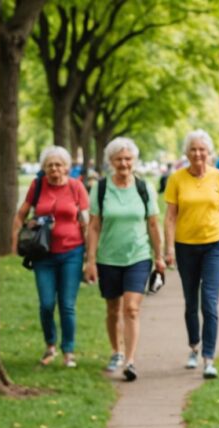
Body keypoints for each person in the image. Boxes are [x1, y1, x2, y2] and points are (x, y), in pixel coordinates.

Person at [84, 137, 164, 382]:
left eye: (128, 158)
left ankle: (129, 360)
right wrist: (90, 260)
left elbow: (152, 224)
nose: (124, 163)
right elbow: (94, 226)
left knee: (131, 309)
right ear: (111, 161)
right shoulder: (100, 188)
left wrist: (159, 256)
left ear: (134, 161)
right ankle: (116, 351)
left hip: (138, 256)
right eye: (119, 159)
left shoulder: (144, 188)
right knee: (113, 309)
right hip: (108, 257)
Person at [164, 130, 219, 379]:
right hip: (185, 246)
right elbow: (170, 217)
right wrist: (168, 249)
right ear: (187, 153)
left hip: (215, 245)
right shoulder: (176, 179)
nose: (198, 154)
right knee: (190, 302)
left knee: (209, 301)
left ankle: (208, 357)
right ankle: (193, 347)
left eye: (202, 150)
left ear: (209, 153)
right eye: (193, 149)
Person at [11, 146, 89, 368]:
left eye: (58, 164)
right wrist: (16, 238)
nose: (54, 169)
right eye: (49, 165)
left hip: (72, 253)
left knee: (67, 304)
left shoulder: (76, 187)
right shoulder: (37, 186)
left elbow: (85, 221)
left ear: (66, 167)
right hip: (43, 254)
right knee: (46, 304)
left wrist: (89, 255)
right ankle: (50, 346)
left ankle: (69, 351)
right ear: (44, 168)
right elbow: (21, 214)